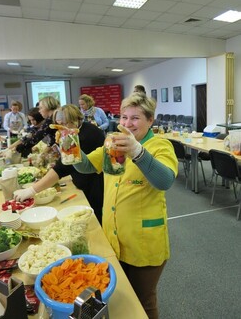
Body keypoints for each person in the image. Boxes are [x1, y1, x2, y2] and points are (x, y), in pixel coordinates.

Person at [73, 93, 178, 318]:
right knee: (122, 297)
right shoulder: (113, 141)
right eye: (123, 117)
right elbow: (86, 166)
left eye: (135, 118)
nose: (127, 124)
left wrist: (137, 152)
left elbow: (165, 181)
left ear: (150, 120)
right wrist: (70, 147)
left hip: (144, 242)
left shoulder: (161, 145)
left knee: (144, 300)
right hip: (114, 237)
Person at [13, 104, 105, 224]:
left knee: (94, 220)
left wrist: (32, 190)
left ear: (76, 119)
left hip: (94, 185)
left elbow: (63, 167)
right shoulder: (71, 132)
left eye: (64, 124)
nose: (61, 128)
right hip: (82, 182)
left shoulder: (89, 134)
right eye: (58, 124)